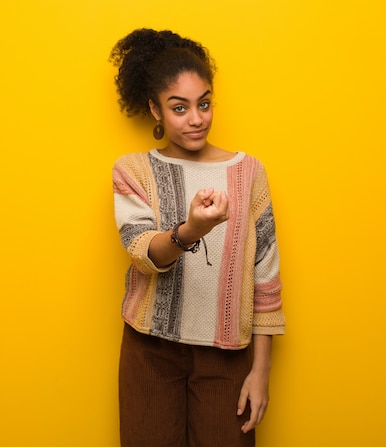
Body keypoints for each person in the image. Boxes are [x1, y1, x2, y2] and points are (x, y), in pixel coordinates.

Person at [110, 28, 285, 447]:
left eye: (203, 104)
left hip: (227, 355)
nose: (196, 118)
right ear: (154, 109)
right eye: (179, 107)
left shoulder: (249, 173)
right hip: (149, 351)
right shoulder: (132, 170)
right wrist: (193, 230)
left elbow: (266, 276)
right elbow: (141, 251)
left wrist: (260, 372)